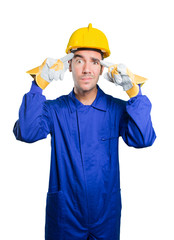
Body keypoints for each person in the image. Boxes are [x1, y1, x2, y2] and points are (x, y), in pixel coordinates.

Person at [13, 23, 156, 240]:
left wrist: (134, 92)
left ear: (101, 68)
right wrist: (38, 85)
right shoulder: (54, 110)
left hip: (105, 215)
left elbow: (143, 138)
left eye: (94, 62)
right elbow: (27, 132)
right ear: (69, 66)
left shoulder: (116, 109)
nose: (87, 69)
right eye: (79, 60)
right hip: (65, 216)